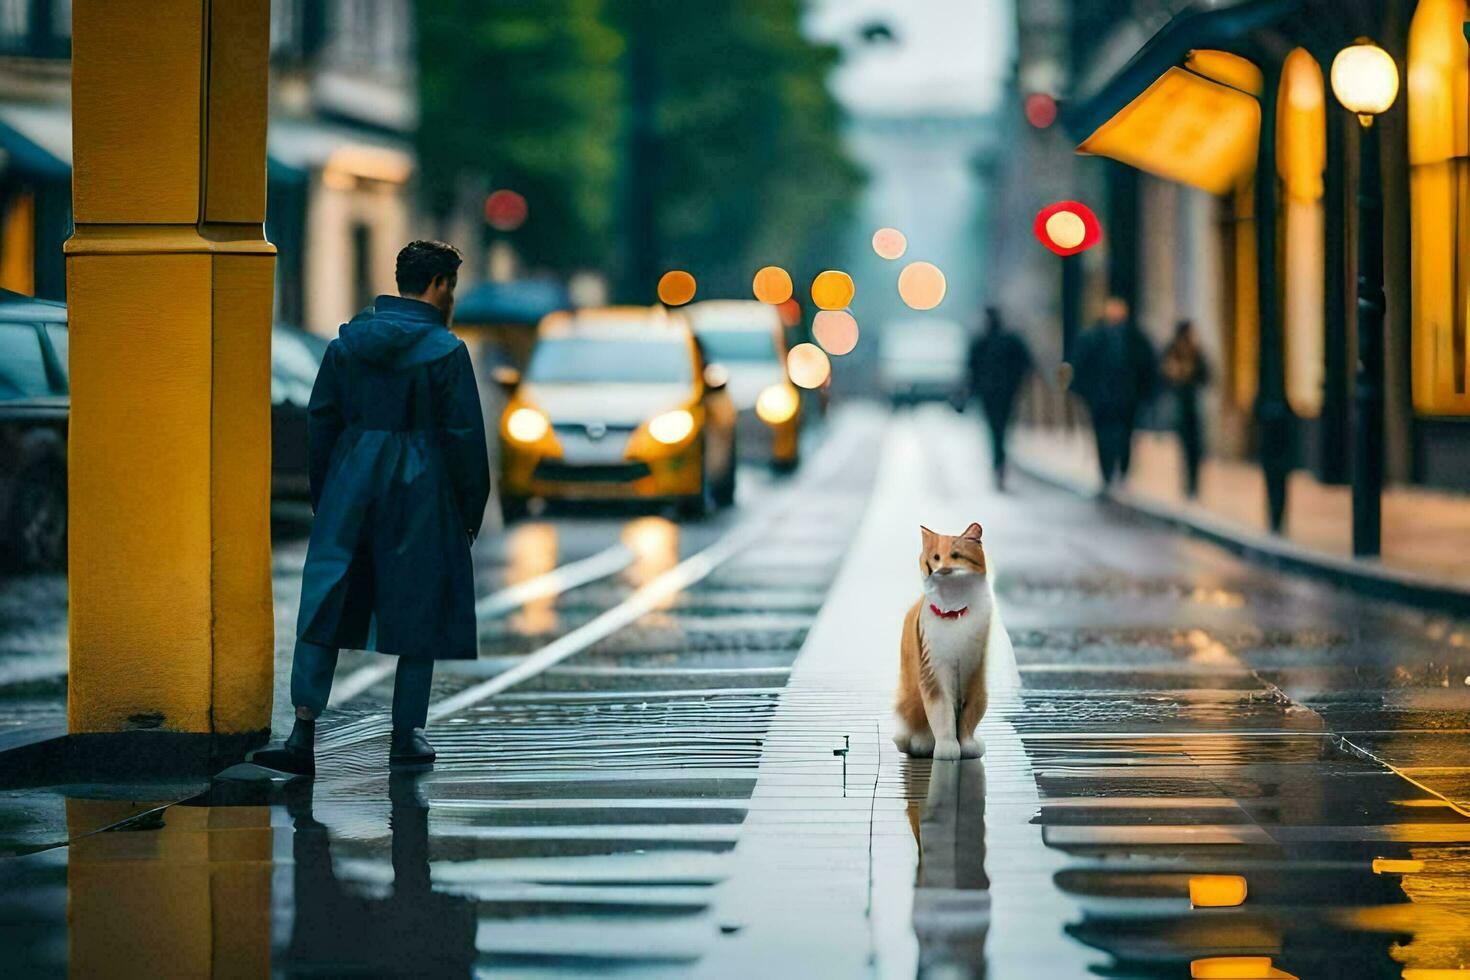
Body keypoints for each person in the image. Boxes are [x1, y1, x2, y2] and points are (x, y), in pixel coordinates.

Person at [253, 241, 490, 775]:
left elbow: (322, 421)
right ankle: (407, 736)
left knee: (325, 604)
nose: (451, 298)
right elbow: (464, 439)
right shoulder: (447, 353)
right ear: (437, 285)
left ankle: (302, 734)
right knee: (420, 607)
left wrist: (327, 495)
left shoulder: (346, 345)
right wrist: (469, 512)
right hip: (422, 489)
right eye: (450, 286)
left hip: (350, 486)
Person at [1067, 296, 1156, 490]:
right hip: (1101, 398)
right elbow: (1080, 366)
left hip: (1127, 396)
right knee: (1103, 435)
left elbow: (1147, 367)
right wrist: (1085, 392)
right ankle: (1107, 471)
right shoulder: (1092, 337)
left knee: (1125, 434)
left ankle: (1122, 469)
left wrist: (1145, 392)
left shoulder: (1135, 339)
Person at [966, 306, 1033, 490]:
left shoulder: (981, 342)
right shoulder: (1010, 341)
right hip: (1005, 393)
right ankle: (999, 462)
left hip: (991, 394)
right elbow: (1027, 363)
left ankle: (998, 463)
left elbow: (971, 370)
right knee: (1000, 429)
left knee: (995, 430)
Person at [1160, 319, 1210, 497]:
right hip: (1178, 405)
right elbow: (1163, 377)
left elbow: (1207, 376)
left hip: (1193, 406)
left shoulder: (1196, 353)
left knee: (1194, 447)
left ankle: (1193, 483)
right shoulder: (1172, 351)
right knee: (1185, 445)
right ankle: (1188, 483)